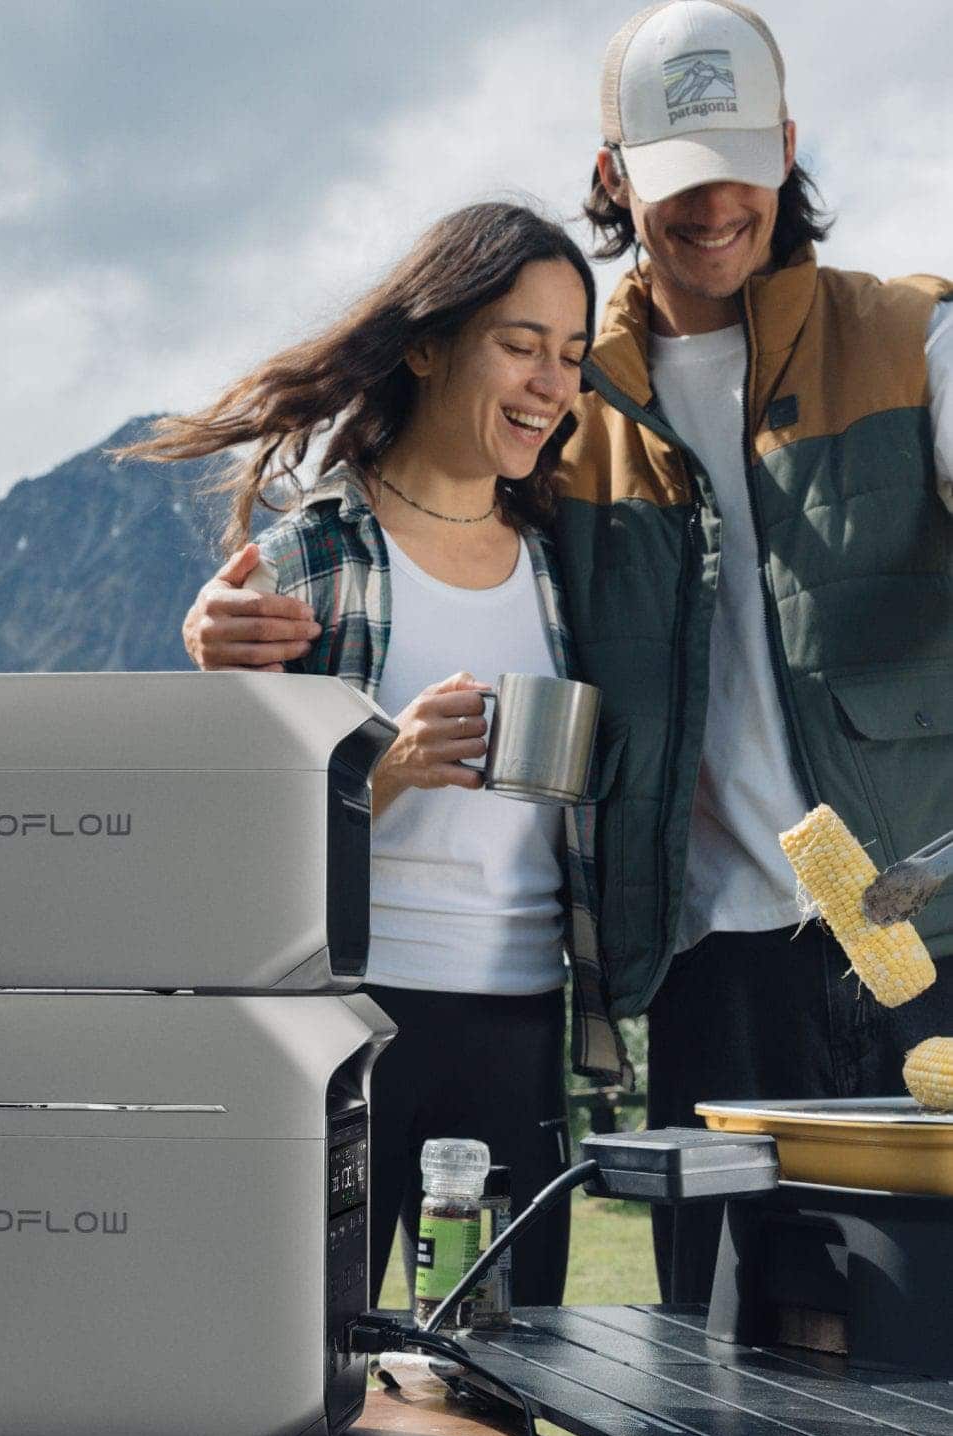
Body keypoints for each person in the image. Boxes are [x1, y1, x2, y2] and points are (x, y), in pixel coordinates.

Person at [183, 0, 953, 1304]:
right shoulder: (565, 397)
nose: (709, 206)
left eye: (736, 167)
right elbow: (415, 513)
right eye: (670, 177)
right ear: (612, 178)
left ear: (787, 148)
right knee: (729, 1375)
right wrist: (228, 628)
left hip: (923, 940)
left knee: (931, 1356)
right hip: (709, 974)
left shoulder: (914, 340)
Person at [123, 202, 624, 1310]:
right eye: (520, 345)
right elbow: (232, 847)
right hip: (352, 1016)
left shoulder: (563, 567)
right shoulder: (310, 556)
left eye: (573, 358)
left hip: (520, 1012)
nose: (552, 384)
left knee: (512, 1370)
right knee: (306, 1347)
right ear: (427, 344)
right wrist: (383, 769)